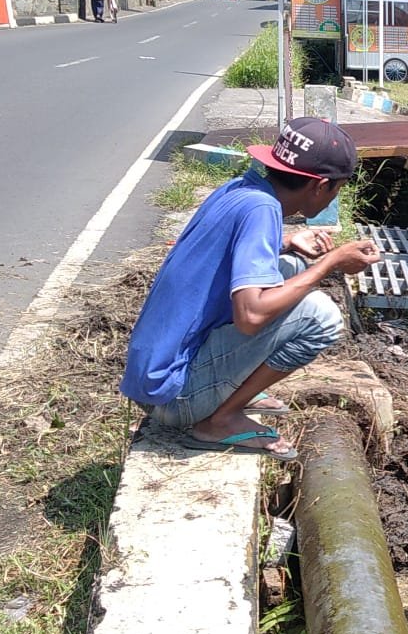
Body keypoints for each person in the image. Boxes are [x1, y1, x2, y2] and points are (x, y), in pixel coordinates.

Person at [120, 118, 382, 461]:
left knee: (289, 267)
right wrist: (330, 263)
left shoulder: (240, 190)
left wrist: (287, 242)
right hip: (174, 397)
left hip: (153, 378)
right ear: (320, 186)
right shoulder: (264, 209)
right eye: (338, 188)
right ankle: (221, 419)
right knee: (323, 317)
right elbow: (250, 316)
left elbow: (223, 255)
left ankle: (232, 389)